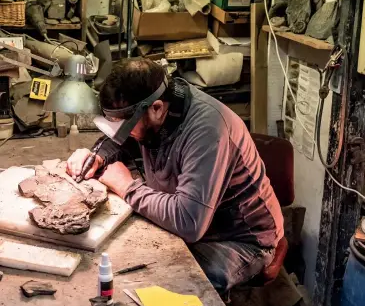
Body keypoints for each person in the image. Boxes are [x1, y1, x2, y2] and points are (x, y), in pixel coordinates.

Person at [67, 58, 284, 292]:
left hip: (240, 239)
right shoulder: (157, 110)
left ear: (157, 108)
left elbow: (188, 221)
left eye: (125, 126)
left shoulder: (207, 131)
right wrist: (98, 155)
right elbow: (124, 138)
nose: (122, 133)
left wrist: (127, 186)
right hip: (200, 221)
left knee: (168, 282)